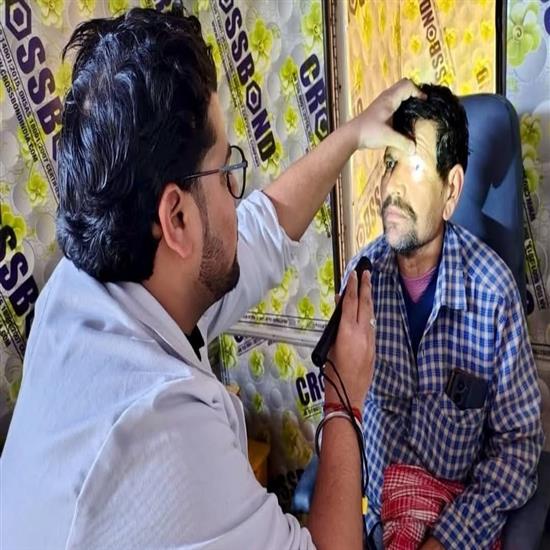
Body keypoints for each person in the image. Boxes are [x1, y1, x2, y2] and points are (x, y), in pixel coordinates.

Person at [0, 7, 423, 550]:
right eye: (226, 173)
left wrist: (352, 136)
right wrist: (344, 399)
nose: (236, 194)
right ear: (176, 218)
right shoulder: (162, 437)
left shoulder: (88, 283)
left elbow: (261, 231)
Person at [343, 83, 544, 550]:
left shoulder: (493, 295)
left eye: (412, 165)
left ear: (451, 189)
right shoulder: (361, 284)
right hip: (377, 522)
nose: (391, 186)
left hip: (456, 524)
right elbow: (342, 419)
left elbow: (518, 449)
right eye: (389, 162)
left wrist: (443, 542)